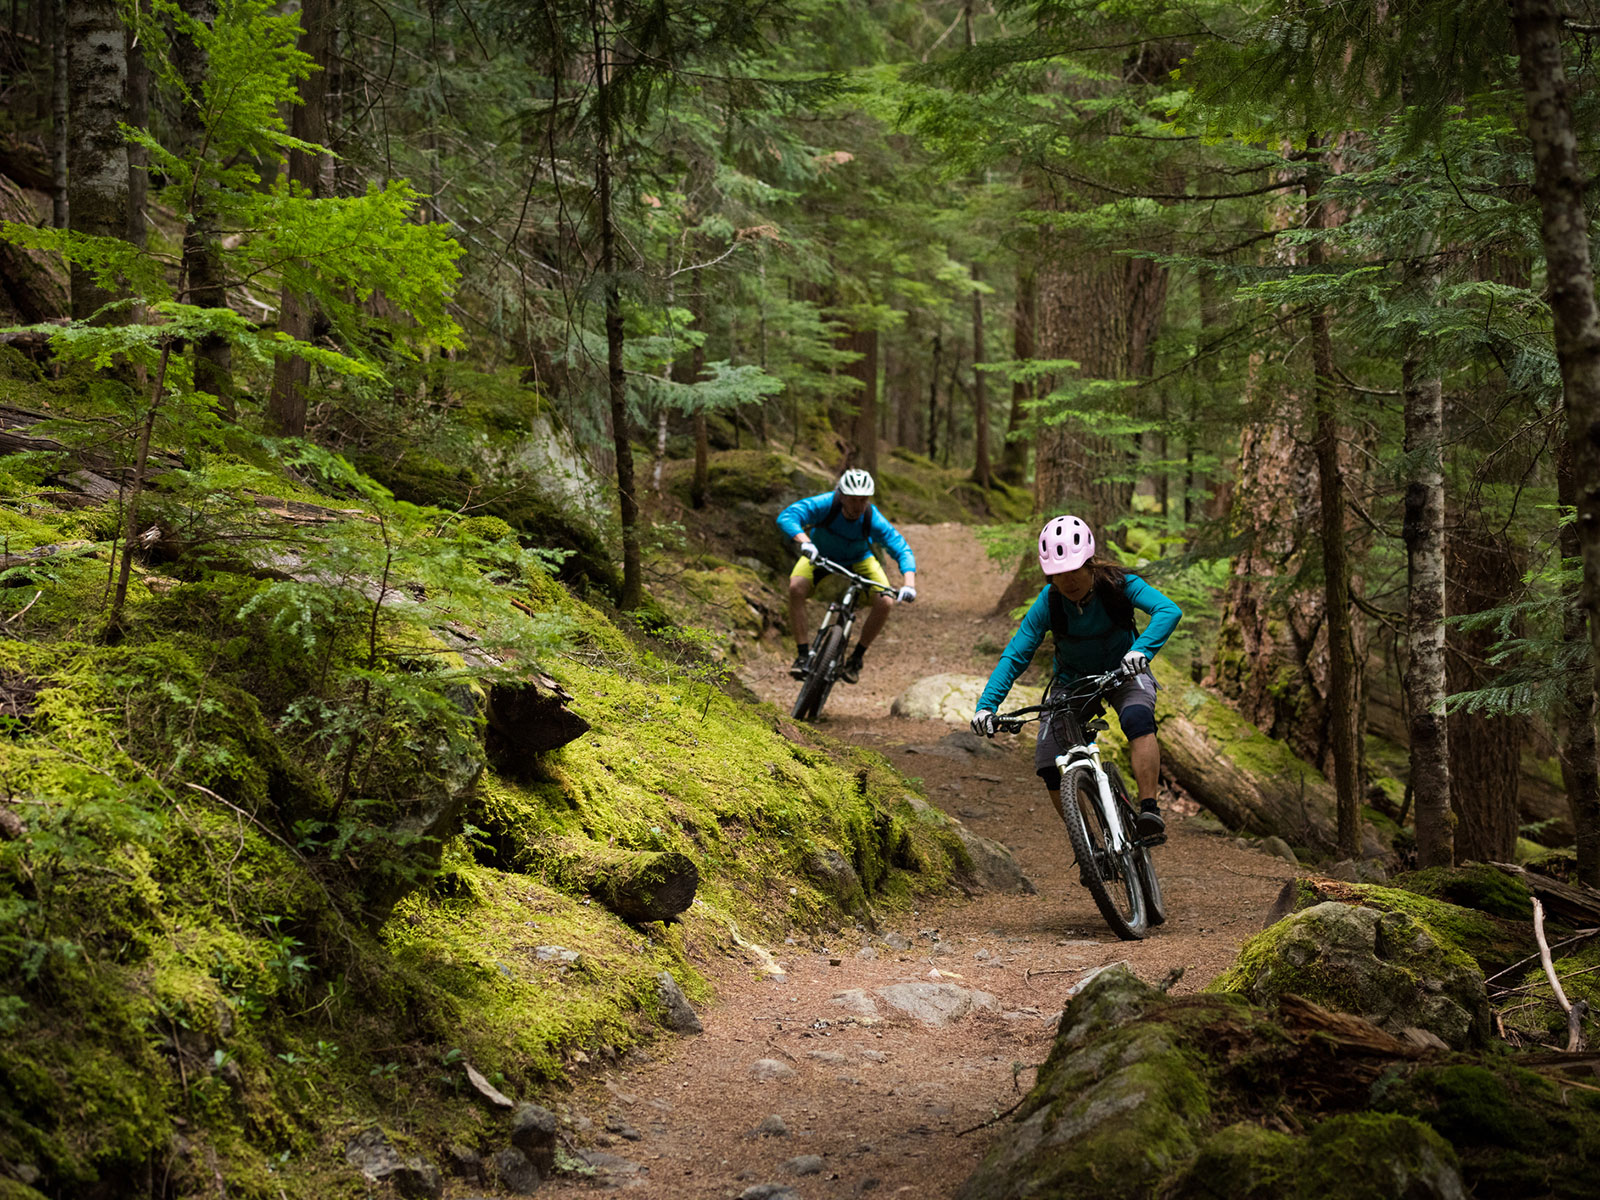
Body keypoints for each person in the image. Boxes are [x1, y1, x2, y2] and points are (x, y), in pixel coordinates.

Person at [970, 514, 1181, 840]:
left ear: (1090, 564)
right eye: (1057, 574)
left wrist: (1141, 651)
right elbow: (1016, 654)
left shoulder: (1119, 584)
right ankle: (1088, 844)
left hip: (1124, 672)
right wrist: (986, 706)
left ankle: (1149, 810)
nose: (1067, 580)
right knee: (1047, 763)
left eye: (1073, 570)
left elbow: (1168, 610)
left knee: (1138, 718)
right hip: (1073, 683)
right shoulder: (1050, 601)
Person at [776, 469, 917, 684]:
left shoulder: (872, 517)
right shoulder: (826, 504)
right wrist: (805, 542)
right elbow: (788, 516)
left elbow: (901, 549)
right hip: (820, 554)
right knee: (796, 588)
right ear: (841, 496)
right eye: (853, 500)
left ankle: (856, 658)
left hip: (859, 558)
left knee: (885, 601)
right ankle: (803, 655)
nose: (859, 506)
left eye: (863, 500)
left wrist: (909, 584)